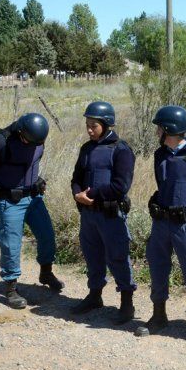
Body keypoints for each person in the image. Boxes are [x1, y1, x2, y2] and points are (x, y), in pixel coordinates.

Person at [135, 106, 186, 347]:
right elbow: (163, 185)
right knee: (157, 266)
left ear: (170, 129)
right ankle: (159, 315)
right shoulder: (159, 154)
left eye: (159, 127)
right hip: (161, 223)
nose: (157, 131)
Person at [0, 113, 64, 309]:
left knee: (47, 236)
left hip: (34, 197)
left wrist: (35, 179)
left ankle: (46, 272)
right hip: (10, 200)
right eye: (28, 141)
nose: (31, 145)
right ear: (20, 132)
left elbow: (32, 163)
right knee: (11, 244)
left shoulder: (38, 139)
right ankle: (10, 287)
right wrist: (4, 186)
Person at [70, 101, 138, 325]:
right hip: (88, 215)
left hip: (111, 215)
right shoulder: (86, 148)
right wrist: (77, 194)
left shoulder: (121, 150)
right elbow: (76, 178)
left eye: (94, 126)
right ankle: (94, 296)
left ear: (107, 125)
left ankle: (127, 303)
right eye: (87, 125)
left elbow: (120, 186)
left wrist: (92, 194)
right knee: (92, 256)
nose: (89, 130)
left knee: (118, 257)